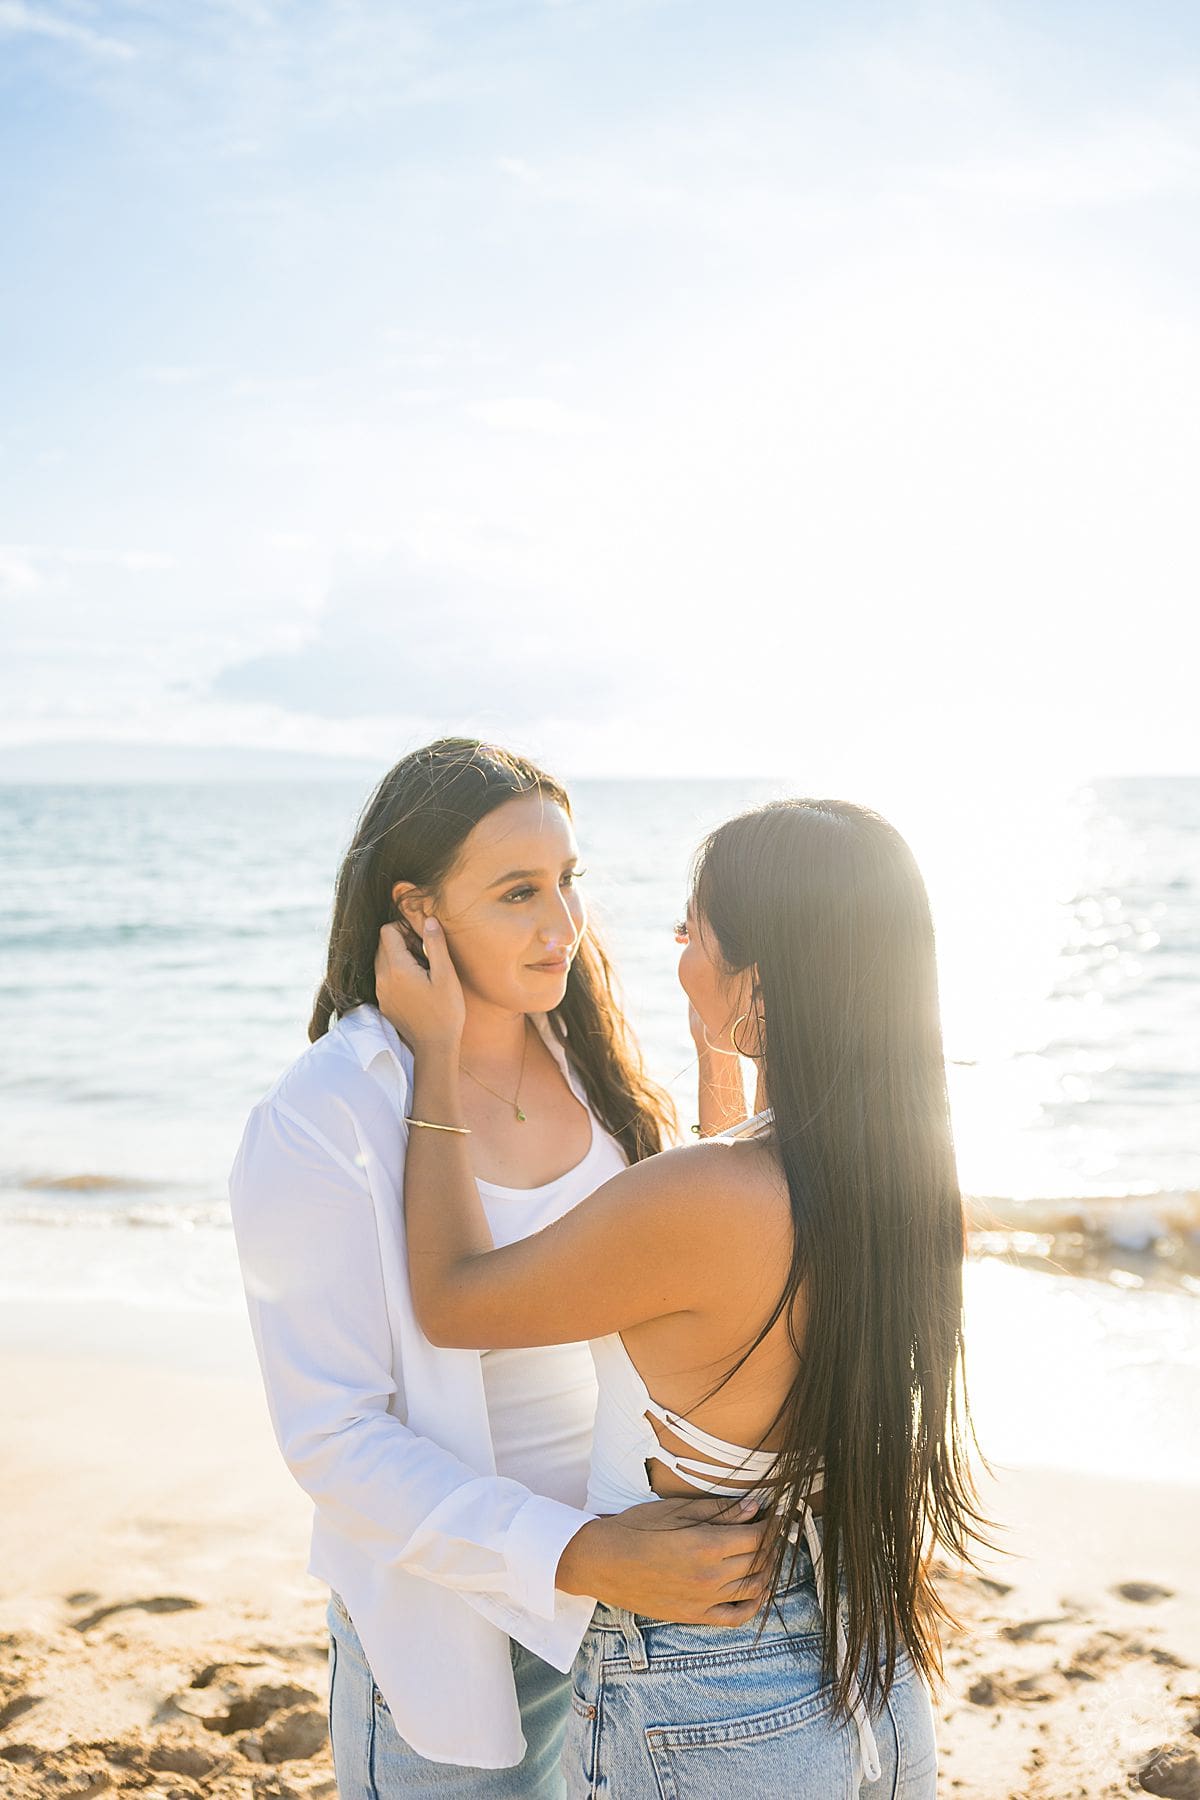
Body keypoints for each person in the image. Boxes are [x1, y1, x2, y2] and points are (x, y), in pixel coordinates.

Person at [375, 796, 990, 1797]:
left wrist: (435, 1056)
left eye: (689, 934)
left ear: (757, 978)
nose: (675, 955)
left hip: (711, 1690)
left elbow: (452, 1300)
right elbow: (738, 1235)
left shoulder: (704, 1200)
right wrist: (725, 1049)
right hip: (865, 1658)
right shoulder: (901, 1180)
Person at [228, 739, 772, 1799]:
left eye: (569, 882)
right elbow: (331, 1439)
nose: (562, 924)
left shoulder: (584, 1051)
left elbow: (689, 1241)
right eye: (520, 892)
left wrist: (719, 1049)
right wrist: (581, 1554)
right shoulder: (325, 1114)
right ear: (416, 914)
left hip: (626, 1616)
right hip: (464, 1620)